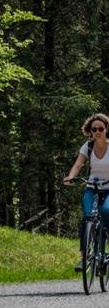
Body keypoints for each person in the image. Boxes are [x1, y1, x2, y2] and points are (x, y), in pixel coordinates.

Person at [63, 113, 109, 273]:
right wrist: (71, 176)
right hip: (92, 186)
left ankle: (103, 254)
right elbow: (78, 164)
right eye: (94, 129)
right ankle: (85, 258)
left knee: (106, 211)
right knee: (87, 216)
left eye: (100, 128)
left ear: (106, 129)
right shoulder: (88, 146)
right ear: (90, 130)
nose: (97, 132)